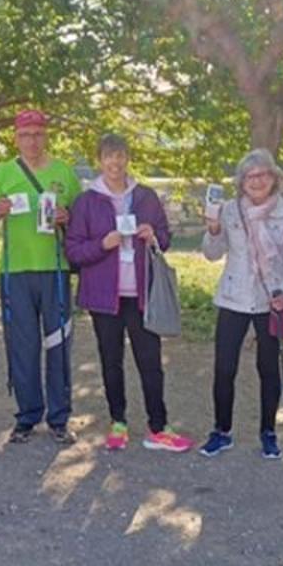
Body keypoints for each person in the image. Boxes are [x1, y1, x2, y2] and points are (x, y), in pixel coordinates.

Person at [65, 134, 193, 452]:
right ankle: (118, 422)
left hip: (141, 295)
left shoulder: (146, 197)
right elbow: (74, 251)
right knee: (111, 361)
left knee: (150, 361)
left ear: (128, 159)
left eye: (120, 155)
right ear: (99, 160)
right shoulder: (85, 202)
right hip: (103, 297)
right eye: (109, 156)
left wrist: (153, 236)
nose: (115, 162)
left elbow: (164, 238)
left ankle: (159, 426)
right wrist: (102, 244)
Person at [0, 109, 83, 445]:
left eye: (38, 134)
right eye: (26, 134)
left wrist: (67, 218)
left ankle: (59, 417)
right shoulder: (3, 173)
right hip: (15, 271)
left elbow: (82, 224)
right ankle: (26, 416)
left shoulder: (64, 172)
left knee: (58, 343)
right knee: (22, 346)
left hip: (55, 269)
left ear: (47, 136)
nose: (32, 141)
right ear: (16, 137)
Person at [197, 149, 283, 459]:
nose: (257, 181)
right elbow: (211, 254)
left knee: (268, 368)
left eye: (264, 174)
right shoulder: (228, 210)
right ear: (241, 182)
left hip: (271, 297)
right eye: (250, 176)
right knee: (224, 367)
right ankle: (221, 430)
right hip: (233, 296)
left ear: (274, 178)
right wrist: (213, 230)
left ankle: (268, 431)